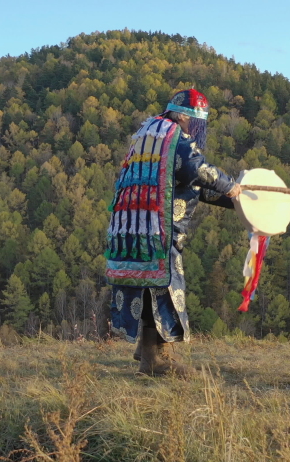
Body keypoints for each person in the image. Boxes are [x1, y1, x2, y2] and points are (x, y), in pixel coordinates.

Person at [105, 89, 241, 376]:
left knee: (146, 289)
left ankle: (148, 351)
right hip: (157, 230)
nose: (196, 129)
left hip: (133, 228)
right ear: (183, 116)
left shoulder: (150, 132)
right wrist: (228, 184)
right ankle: (157, 360)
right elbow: (195, 168)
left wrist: (236, 201)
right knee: (162, 290)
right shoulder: (173, 136)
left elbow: (187, 183)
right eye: (196, 121)